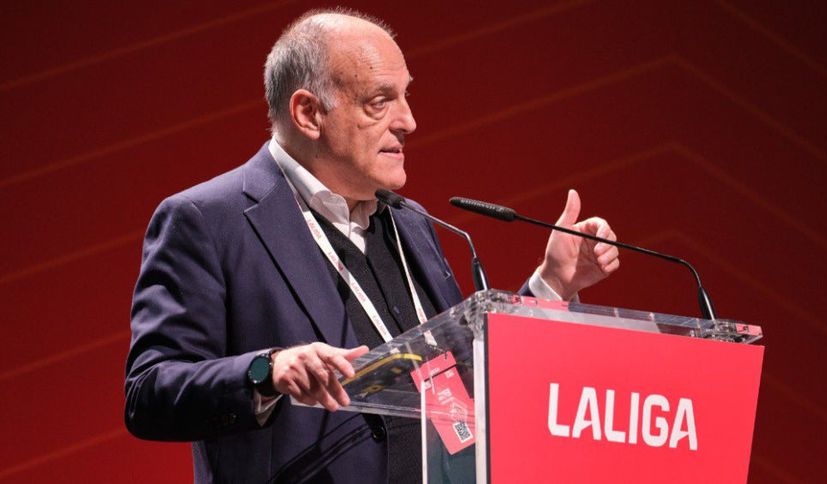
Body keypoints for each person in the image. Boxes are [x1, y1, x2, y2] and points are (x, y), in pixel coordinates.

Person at [124, 8, 620, 484]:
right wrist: (267, 370)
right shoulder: (209, 220)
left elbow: (465, 370)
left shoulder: (410, 223)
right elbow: (149, 393)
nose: (409, 121)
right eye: (380, 101)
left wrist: (552, 284)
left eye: (406, 96)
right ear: (308, 113)